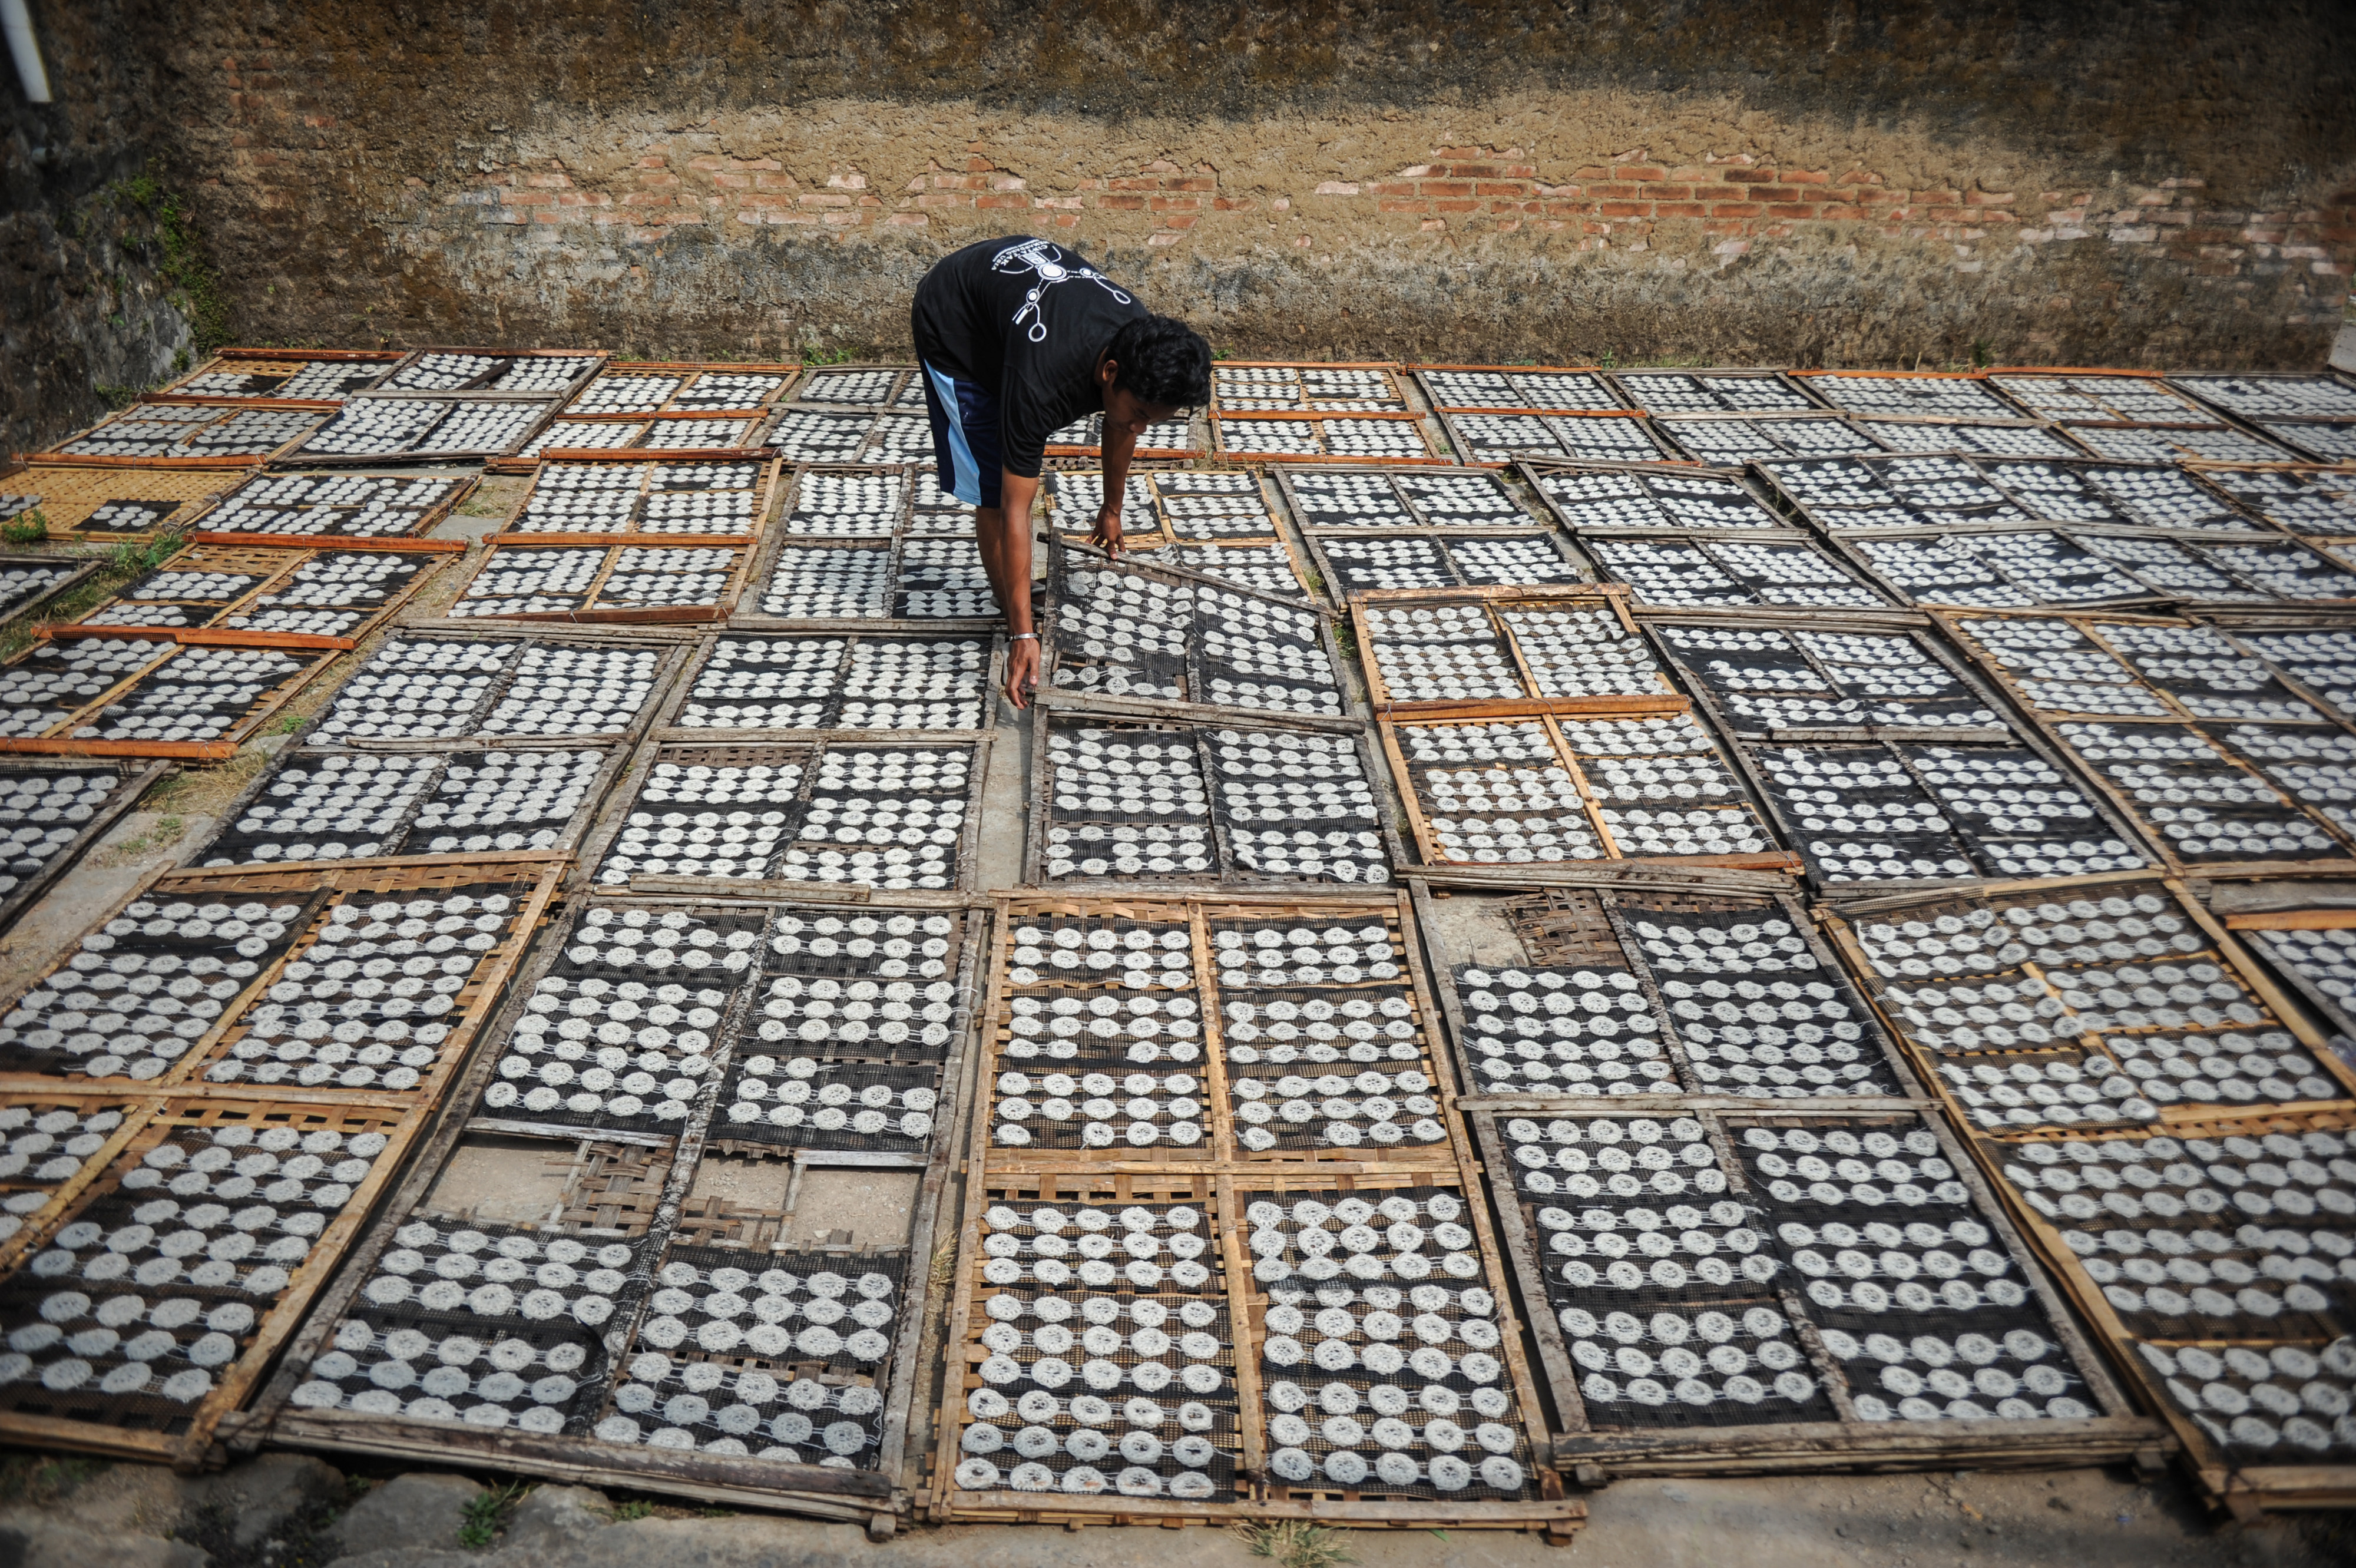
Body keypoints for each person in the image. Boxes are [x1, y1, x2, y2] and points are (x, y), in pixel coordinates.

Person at [911, 236, 1212, 709]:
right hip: (956, 325)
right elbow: (1014, 509)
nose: (1139, 427)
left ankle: (1017, 608)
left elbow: (1122, 425)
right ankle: (1010, 611)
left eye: (1151, 420)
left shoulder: (1139, 347)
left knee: (1110, 418)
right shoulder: (1041, 384)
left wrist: (1112, 509)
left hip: (1012, 316)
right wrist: (1023, 632)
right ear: (1110, 372)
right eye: (1137, 412)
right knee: (991, 487)